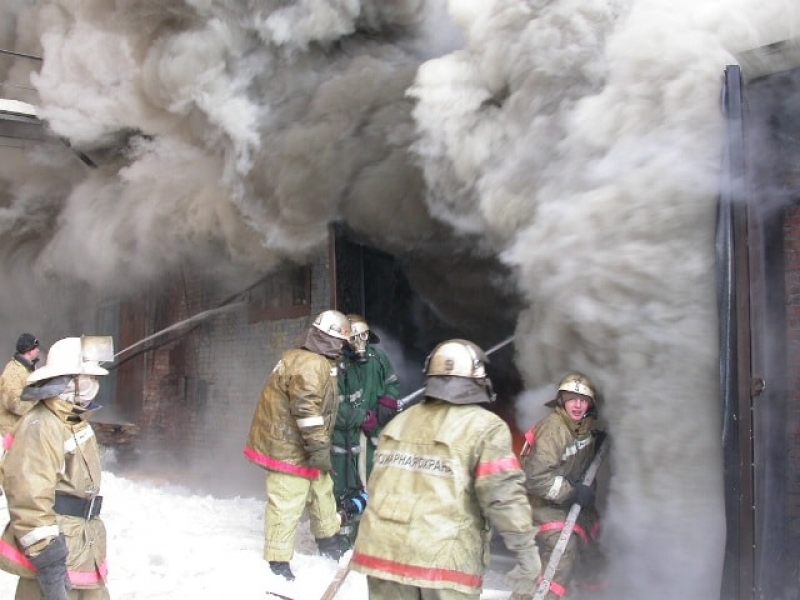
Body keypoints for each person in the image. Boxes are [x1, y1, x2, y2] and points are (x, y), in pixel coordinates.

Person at [351, 339, 541, 600]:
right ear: (477, 380)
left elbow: (377, 485)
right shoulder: (486, 427)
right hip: (442, 559)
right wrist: (526, 552)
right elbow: (503, 496)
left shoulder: (400, 422)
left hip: (382, 553)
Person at [0, 335, 114, 600]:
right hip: (55, 557)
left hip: (81, 547)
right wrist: (49, 560)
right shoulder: (43, 425)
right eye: (88, 377)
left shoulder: (72, 419)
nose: (94, 383)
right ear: (67, 380)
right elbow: (29, 498)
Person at [243, 309, 352, 582]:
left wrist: (317, 448)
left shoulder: (307, 359)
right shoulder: (310, 364)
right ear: (330, 339)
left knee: (322, 494)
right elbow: (307, 410)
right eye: (341, 341)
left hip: (303, 445)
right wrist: (319, 448)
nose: (343, 347)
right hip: (290, 449)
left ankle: (329, 544)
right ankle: (278, 561)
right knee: (287, 501)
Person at [516, 372, 607, 600]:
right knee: (563, 551)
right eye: (571, 399)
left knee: (593, 549)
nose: (577, 405)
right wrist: (572, 492)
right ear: (561, 401)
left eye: (583, 400)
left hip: (567, 504)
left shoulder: (582, 427)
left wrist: (595, 443)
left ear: (590, 404)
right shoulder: (553, 430)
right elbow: (536, 478)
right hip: (541, 506)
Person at [331, 314, 400, 544]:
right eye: (354, 337)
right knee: (343, 487)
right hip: (344, 440)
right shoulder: (336, 365)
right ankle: (341, 537)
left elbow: (392, 384)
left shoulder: (378, 358)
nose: (359, 342)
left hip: (373, 438)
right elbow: (333, 407)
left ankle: (368, 535)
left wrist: (385, 407)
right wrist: (361, 417)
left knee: (374, 483)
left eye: (363, 336)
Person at [0, 333, 41, 445]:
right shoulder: (14, 372)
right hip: (8, 432)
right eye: (36, 348)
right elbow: (13, 404)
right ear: (29, 351)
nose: (38, 350)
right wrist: (37, 404)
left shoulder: (27, 368)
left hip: (20, 429)